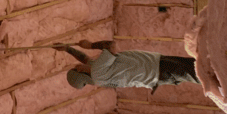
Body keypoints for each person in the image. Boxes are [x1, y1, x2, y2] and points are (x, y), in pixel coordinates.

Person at [55, 40, 200, 92]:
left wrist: (67, 49)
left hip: (158, 73)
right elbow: (110, 45)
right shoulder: (98, 71)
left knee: (198, 69)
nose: (79, 64)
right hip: (158, 68)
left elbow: (84, 59)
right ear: (79, 70)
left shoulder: (98, 76)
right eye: (77, 66)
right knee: (200, 71)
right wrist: (90, 45)